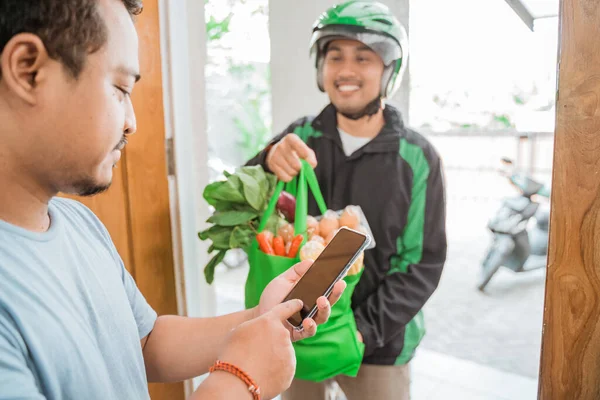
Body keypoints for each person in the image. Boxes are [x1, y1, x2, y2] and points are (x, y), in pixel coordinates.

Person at [0, 1, 345, 399]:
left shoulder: (78, 222)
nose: (132, 121)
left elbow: (146, 343)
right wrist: (239, 381)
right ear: (28, 70)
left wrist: (259, 318)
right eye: (120, 88)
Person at [246, 1, 447, 399]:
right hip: (301, 332)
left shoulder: (417, 158)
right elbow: (245, 205)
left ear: (389, 70)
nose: (347, 70)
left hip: (379, 344)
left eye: (364, 57)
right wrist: (267, 161)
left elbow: (422, 263)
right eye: (334, 56)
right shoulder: (300, 137)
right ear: (322, 68)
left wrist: (361, 331)